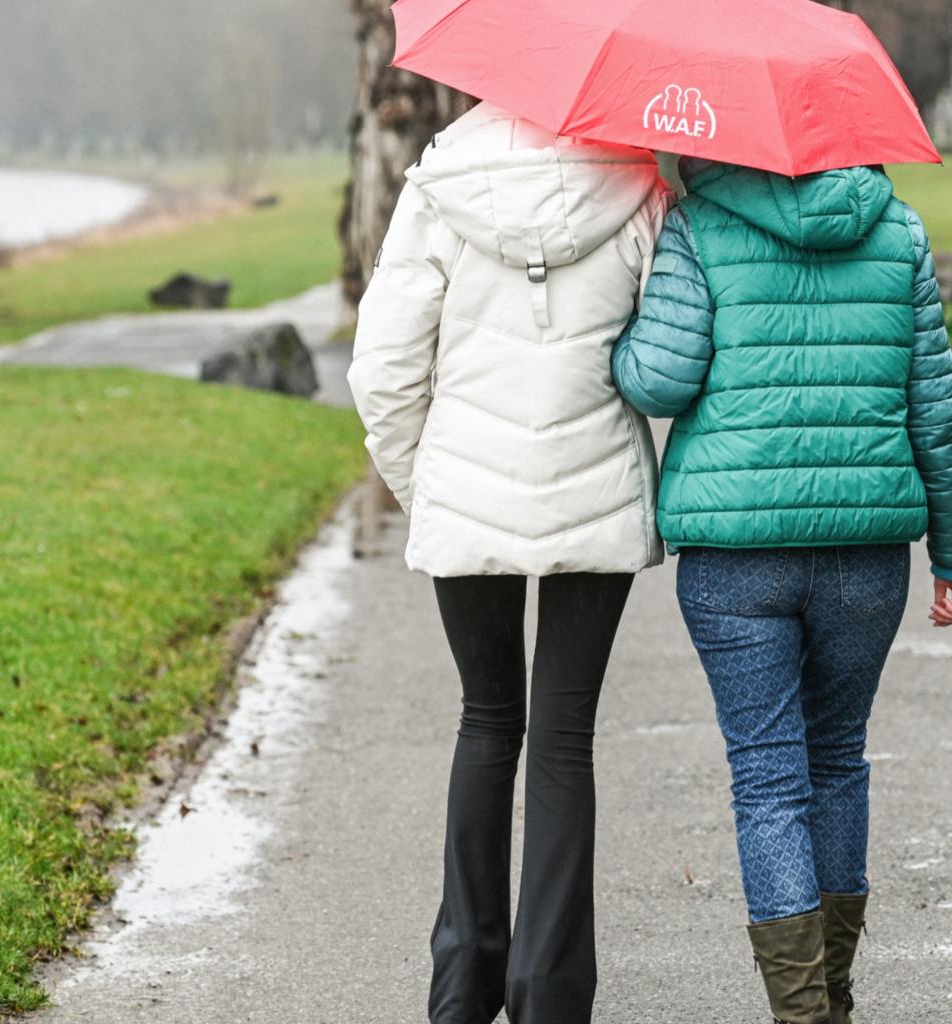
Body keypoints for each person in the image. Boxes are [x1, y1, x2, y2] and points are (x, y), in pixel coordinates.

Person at [611, 157, 952, 1024]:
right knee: (838, 759)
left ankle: (803, 1011)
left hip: (736, 553)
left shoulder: (701, 225)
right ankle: (837, 994)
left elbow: (658, 379)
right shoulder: (897, 230)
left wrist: (623, 345)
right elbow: (937, 408)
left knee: (768, 778)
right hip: (867, 549)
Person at [347, 101, 669, 1024]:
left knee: (487, 722)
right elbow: (668, 356)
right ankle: (548, 996)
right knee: (564, 738)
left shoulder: (440, 183)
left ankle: (464, 987)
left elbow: (383, 370)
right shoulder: (640, 183)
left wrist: (429, 486)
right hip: (596, 493)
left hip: (469, 495)